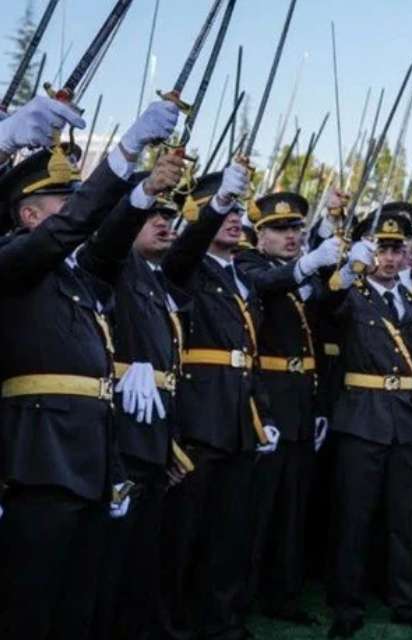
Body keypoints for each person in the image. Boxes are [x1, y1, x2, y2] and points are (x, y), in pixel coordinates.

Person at [0, 97, 178, 639]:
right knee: (32, 603)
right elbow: (71, 230)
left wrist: (143, 190)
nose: (77, 212)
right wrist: (122, 152)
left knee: (77, 603)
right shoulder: (15, 259)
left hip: (92, 455)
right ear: (30, 214)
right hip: (40, 455)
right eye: (63, 202)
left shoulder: (77, 277)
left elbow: (107, 238)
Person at [158, 163, 279, 640]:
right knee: (184, 535)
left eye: (234, 211)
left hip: (238, 418)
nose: (233, 219)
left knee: (229, 535)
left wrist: (263, 414)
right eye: (219, 210)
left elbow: (249, 355)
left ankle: (222, 622)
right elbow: (185, 247)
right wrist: (218, 204)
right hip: (199, 417)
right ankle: (173, 626)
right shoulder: (186, 264)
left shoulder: (240, 277)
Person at [321, 211, 412, 638]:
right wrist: (346, 266)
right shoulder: (351, 295)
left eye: (395, 250)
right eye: (381, 250)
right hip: (361, 417)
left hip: (406, 420)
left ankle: (405, 600)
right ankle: (347, 605)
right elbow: (323, 304)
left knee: (403, 518)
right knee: (354, 517)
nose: (389, 258)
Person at [87, 159, 191, 640]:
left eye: (168, 215)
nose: (163, 222)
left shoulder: (152, 277)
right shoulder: (112, 264)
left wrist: (169, 441)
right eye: (152, 215)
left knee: (142, 552)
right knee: (110, 557)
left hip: (151, 433)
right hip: (118, 434)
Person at [235, 191, 341, 625]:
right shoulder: (249, 265)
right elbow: (266, 285)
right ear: (259, 236)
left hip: (300, 399)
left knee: (292, 510)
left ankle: (284, 595)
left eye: (296, 229)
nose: (292, 236)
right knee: (256, 512)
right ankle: (240, 600)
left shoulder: (299, 274)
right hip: (267, 400)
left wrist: (342, 270)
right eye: (280, 230)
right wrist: (309, 264)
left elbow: (325, 311)